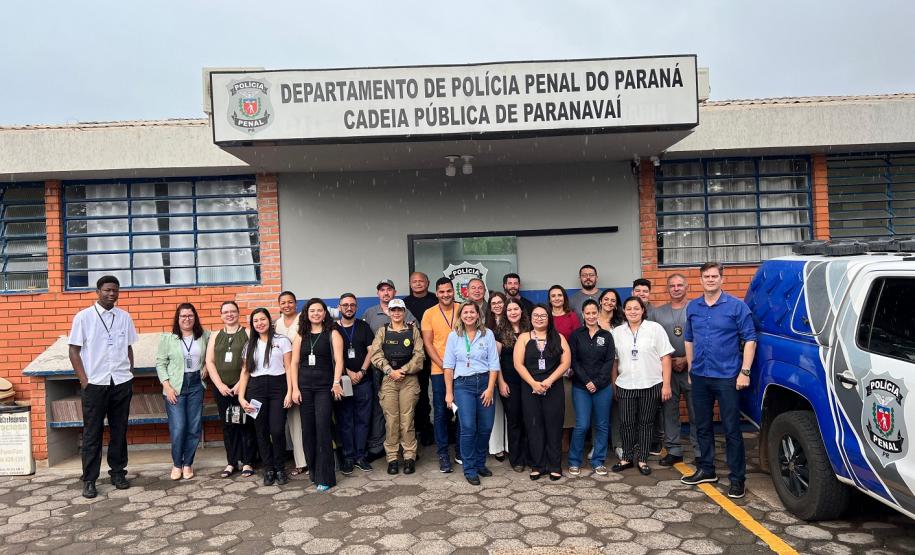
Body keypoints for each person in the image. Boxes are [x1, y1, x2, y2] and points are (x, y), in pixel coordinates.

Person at [681, 262, 757, 499]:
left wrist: (745, 372)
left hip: (727, 377)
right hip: (701, 376)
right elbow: (689, 339)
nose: (711, 280)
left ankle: (737, 479)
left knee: (731, 429)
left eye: (715, 276)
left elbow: (750, 339)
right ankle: (706, 469)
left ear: (722, 279)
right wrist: (692, 369)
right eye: (706, 276)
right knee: (702, 425)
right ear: (701, 280)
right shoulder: (693, 306)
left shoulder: (737, 306)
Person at [68, 275, 139, 499]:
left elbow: (128, 347)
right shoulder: (84, 317)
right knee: (92, 433)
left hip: (120, 382)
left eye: (115, 290)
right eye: (107, 290)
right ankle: (89, 479)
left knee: (119, 430)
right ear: (98, 291)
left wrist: (129, 373)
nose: (111, 294)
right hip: (95, 384)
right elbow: (73, 351)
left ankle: (118, 473)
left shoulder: (124, 317)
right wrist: (84, 380)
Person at [611, 297, 673, 476]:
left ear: (643, 310)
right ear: (624, 311)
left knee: (646, 423)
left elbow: (666, 358)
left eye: (636, 308)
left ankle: (643, 459)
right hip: (625, 384)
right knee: (626, 423)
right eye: (629, 308)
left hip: (651, 383)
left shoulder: (655, 329)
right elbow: (614, 362)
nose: (632, 311)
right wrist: (613, 383)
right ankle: (627, 458)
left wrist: (666, 384)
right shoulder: (617, 332)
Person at [443, 302, 501, 485]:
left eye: (472, 312)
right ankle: (469, 469)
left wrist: (491, 388)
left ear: (478, 315)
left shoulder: (488, 334)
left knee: (485, 427)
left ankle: (479, 463)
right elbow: (448, 367)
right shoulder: (454, 336)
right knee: (468, 427)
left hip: (485, 383)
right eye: (465, 312)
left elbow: (494, 363)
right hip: (463, 386)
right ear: (461, 316)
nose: (468, 315)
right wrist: (449, 393)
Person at [291, 298, 345, 492]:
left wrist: (336, 382)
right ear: (307, 313)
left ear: (325, 313)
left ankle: (326, 477)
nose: (316, 313)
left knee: (323, 430)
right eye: (312, 310)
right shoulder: (300, 335)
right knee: (308, 431)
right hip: (305, 388)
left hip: (324, 388)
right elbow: (294, 363)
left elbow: (339, 361)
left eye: (319, 310)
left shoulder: (333, 333)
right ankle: (314, 472)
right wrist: (295, 389)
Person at [514, 304, 572, 481]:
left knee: (554, 426)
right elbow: (518, 364)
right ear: (530, 318)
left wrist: (548, 381)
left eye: (543, 315)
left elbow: (565, 363)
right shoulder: (524, 338)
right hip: (530, 388)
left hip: (553, 387)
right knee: (534, 426)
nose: (539, 318)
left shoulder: (558, 337)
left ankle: (555, 465)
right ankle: (537, 465)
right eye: (535, 315)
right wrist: (533, 383)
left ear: (549, 318)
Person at [238, 308, 294, 487]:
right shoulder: (249, 345)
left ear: (269, 321)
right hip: (256, 390)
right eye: (256, 321)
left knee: (277, 430)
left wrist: (290, 392)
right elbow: (245, 372)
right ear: (252, 325)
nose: (259, 323)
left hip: (278, 388)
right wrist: (241, 397)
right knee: (260, 430)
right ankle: (268, 469)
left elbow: (289, 368)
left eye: (263, 319)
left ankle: (279, 467)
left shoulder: (282, 341)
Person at [363, 279, 416, 461]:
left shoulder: (408, 315)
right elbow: (373, 349)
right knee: (385, 413)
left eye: (389, 289)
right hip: (381, 373)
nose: (385, 293)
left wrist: (404, 370)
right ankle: (383, 450)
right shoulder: (370, 314)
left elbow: (418, 348)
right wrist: (388, 370)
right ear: (378, 293)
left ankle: (408, 452)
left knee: (407, 416)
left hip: (406, 374)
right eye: (382, 290)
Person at [156, 303, 210, 481]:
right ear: (177, 319)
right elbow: (160, 363)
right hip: (175, 387)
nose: (187, 319)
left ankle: (188, 464)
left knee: (194, 427)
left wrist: (206, 368)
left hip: (196, 384)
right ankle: (176, 464)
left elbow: (211, 357)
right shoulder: (168, 338)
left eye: (190, 316)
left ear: (195, 318)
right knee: (179, 427)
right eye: (183, 316)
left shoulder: (204, 336)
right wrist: (167, 387)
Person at [370, 298, 425, 475]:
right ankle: (392, 458)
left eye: (399, 310)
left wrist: (403, 370)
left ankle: (409, 456)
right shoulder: (382, 331)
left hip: (408, 379)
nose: (396, 313)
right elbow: (376, 354)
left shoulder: (413, 330)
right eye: (393, 310)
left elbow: (419, 355)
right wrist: (389, 370)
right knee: (392, 421)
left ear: (404, 311)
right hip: (389, 380)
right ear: (389, 312)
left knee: (407, 420)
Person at [205, 301, 256, 479]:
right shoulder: (215, 335)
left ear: (238, 313)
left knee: (246, 424)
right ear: (221, 315)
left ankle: (248, 461)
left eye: (233, 311)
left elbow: (250, 361)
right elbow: (209, 362)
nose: (229, 315)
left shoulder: (248, 333)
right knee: (228, 426)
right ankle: (232, 461)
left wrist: (239, 385)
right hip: (222, 390)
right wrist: (219, 385)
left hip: (243, 388)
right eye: (225, 312)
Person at [654, 274, 699, 467]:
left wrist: (686, 360)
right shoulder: (657, 313)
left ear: (687, 287)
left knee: (696, 412)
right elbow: (652, 341)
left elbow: (703, 337)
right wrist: (669, 361)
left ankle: (700, 451)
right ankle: (674, 450)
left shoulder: (696, 308)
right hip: (668, 369)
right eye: (672, 285)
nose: (676, 288)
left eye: (680, 285)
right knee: (669, 411)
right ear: (667, 289)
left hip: (692, 367)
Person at [567, 299, 616, 476]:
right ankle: (574, 461)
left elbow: (609, 361)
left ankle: (598, 461)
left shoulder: (607, 336)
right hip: (581, 387)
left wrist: (598, 382)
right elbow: (574, 360)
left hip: (603, 388)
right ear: (583, 314)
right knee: (582, 425)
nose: (591, 316)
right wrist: (587, 380)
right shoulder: (576, 335)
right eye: (587, 313)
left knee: (602, 425)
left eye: (594, 312)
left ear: (598, 313)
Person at [421, 277, 462, 473]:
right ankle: (443, 453)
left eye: (449, 291)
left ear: (454, 291)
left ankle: (461, 451)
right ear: (436, 293)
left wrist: (455, 367)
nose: (445, 295)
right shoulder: (429, 313)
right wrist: (445, 365)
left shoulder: (462, 308)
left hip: (463, 370)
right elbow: (428, 343)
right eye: (441, 292)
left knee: (462, 410)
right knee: (441, 412)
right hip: (439, 370)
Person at [334, 293, 376, 474]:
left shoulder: (364, 326)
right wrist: (347, 373)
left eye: (352, 305)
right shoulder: (333, 329)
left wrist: (362, 371)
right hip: (343, 382)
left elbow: (371, 351)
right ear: (339, 307)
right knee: (345, 421)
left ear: (356, 307)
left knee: (363, 420)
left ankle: (360, 456)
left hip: (363, 380)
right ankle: (348, 457)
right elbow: (333, 357)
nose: (349, 308)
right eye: (345, 305)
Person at [274, 291, 308, 477]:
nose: (287, 305)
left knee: (298, 420)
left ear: (296, 303)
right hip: (281, 375)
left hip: (302, 372)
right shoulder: (275, 324)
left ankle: (302, 461)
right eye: (283, 303)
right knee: (283, 422)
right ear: (279, 305)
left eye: (290, 302)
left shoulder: (303, 319)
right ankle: (288, 458)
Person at [402, 272, 438, 446]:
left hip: (437, 353)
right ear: (410, 284)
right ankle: (424, 429)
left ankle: (446, 428)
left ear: (428, 282)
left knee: (441, 392)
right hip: (416, 356)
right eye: (414, 281)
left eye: (421, 281)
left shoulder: (436, 300)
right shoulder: (404, 304)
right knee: (421, 394)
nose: (418, 284)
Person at [498, 298, 531, 472]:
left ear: (521, 311)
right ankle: (516, 458)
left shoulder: (530, 330)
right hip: (510, 383)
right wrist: (501, 382)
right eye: (509, 309)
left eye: (515, 309)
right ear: (505, 313)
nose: (513, 312)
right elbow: (495, 361)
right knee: (514, 421)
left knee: (530, 419)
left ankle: (531, 456)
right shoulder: (499, 332)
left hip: (529, 382)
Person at [632, 277, 663, 455]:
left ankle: (656, 440)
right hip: (634, 370)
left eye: (645, 291)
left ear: (649, 294)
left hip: (652, 369)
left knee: (655, 408)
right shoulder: (627, 312)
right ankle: (638, 441)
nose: (641, 294)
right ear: (632, 292)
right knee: (636, 409)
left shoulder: (656, 314)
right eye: (638, 291)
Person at [548, 285, 579, 442]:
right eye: (553, 296)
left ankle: (565, 439)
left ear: (564, 297)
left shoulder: (571, 316)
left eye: (559, 295)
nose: (557, 298)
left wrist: (571, 365)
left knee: (567, 404)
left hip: (567, 367)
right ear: (549, 299)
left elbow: (577, 341)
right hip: (547, 367)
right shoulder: (545, 316)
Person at [485, 292, 509, 461]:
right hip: (493, 372)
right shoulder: (486, 327)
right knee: (496, 412)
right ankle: (497, 447)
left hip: (511, 371)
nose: (497, 305)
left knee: (511, 413)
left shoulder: (512, 321)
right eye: (493, 303)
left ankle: (510, 445)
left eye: (500, 302)